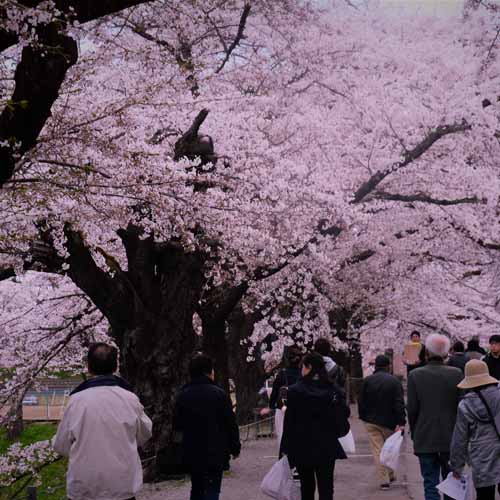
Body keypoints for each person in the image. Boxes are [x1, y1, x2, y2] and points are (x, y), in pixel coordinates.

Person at [53, 343, 152, 500]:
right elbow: (145, 433)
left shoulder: (76, 400)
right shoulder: (129, 398)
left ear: (89, 367)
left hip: (85, 486)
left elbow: (61, 444)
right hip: (122, 484)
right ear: (115, 367)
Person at [281, 352, 350, 500]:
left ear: (309, 367)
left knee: (306, 488)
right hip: (327, 444)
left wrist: (285, 448)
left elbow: (289, 422)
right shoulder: (333, 390)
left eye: (303, 367)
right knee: (326, 488)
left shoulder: (295, 391)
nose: (301, 370)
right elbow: (344, 414)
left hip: (302, 445)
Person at [174, 354, 240, 500]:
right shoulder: (220, 394)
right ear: (208, 372)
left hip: (192, 452)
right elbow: (230, 424)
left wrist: (178, 451)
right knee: (212, 489)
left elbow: (177, 427)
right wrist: (235, 447)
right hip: (215, 452)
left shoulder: (182, 396)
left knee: (196, 487)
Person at [407, 334, 463, 500]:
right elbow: (462, 407)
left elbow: (412, 409)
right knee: (451, 482)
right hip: (451, 435)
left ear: (427, 353)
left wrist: (414, 430)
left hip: (425, 434)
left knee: (430, 482)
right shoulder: (457, 374)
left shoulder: (415, 375)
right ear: (446, 353)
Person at [450, 360, 500, 500]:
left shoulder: (465, 405)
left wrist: (456, 466)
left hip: (481, 455)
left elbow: (460, 438)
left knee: (485, 495)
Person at [358, 354, 406, 491]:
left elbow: (361, 400)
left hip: (371, 421)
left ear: (376, 366)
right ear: (388, 366)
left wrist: (363, 416)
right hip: (389, 421)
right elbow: (399, 403)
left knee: (378, 450)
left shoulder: (367, 381)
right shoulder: (394, 381)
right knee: (389, 450)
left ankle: (385, 478)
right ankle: (388, 475)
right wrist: (401, 421)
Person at [267, 346, 302, 411]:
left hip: (284, 408)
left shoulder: (282, 373)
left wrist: (271, 405)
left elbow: (275, 391)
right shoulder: (303, 374)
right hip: (300, 408)